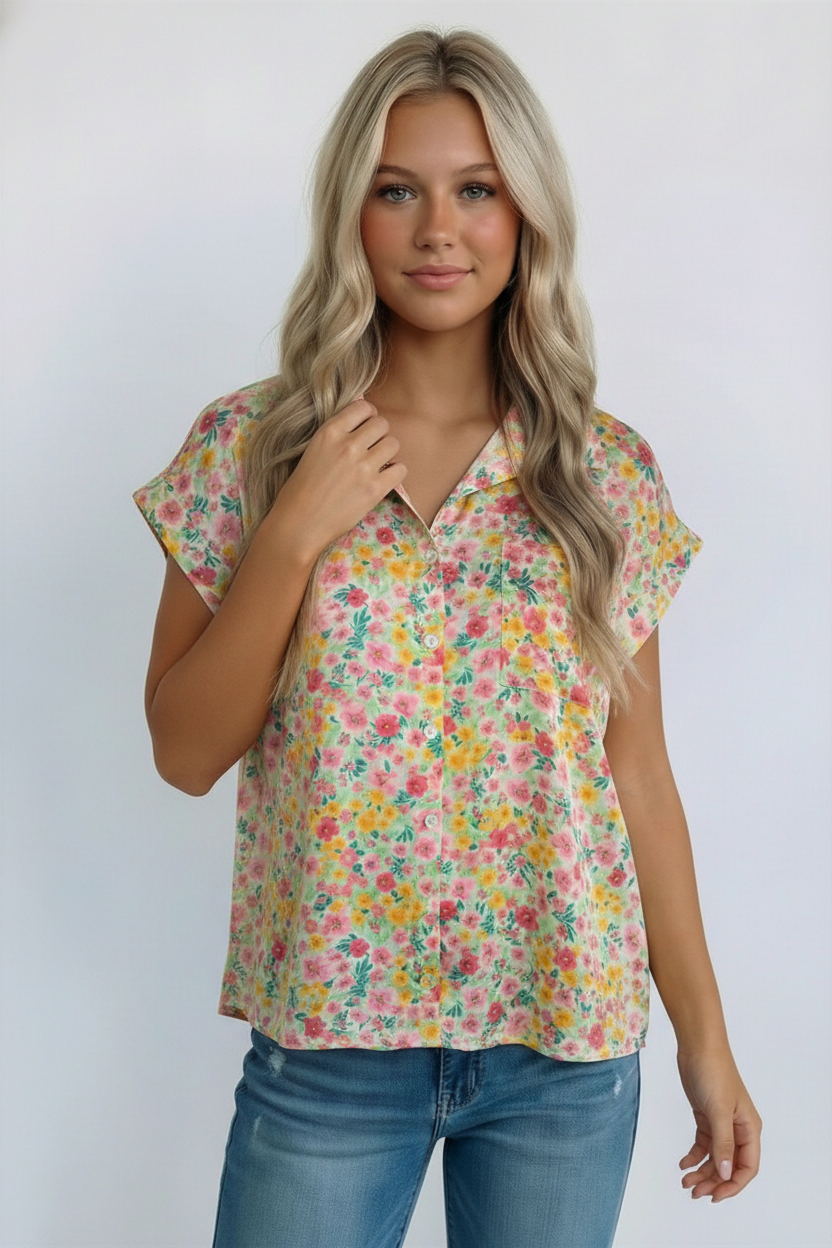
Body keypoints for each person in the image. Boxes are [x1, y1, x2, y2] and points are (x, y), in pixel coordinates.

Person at [134, 26, 762, 1248]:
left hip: (563, 1054)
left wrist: (706, 1039)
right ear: (349, 215)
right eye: (397, 190)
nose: (439, 229)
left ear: (524, 213)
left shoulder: (601, 473)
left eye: (476, 190)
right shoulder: (249, 449)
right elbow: (182, 751)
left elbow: (638, 776)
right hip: (326, 1052)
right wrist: (291, 535)